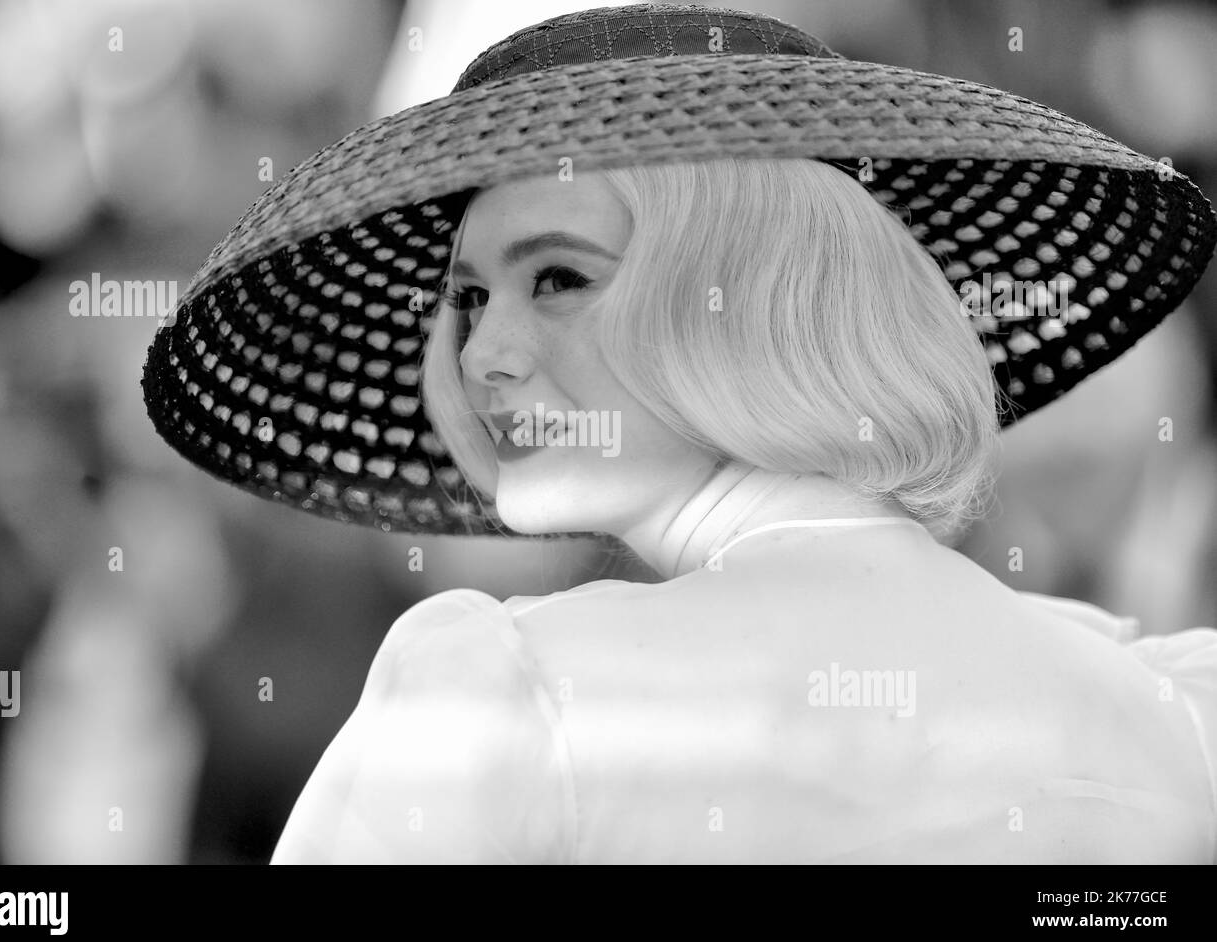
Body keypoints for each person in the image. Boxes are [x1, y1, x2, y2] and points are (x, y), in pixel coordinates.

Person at [141, 4, 1217, 863]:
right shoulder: (1168, 709)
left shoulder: (507, 699)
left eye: (557, 277)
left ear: (739, 295)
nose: (482, 355)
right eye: (467, 298)